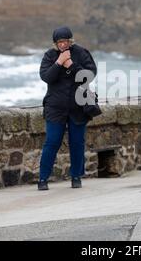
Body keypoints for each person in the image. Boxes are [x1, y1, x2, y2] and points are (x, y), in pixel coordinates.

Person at [38, 26, 97, 190]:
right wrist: (59, 62)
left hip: (78, 106)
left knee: (77, 143)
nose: (63, 45)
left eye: (65, 41)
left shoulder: (81, 53)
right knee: (52, 142)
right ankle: (43, 179)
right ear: (55, 43)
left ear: (71, 41)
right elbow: (46, 77)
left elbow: (89, 75)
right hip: (55, 107)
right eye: (59, 42)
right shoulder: (50, 56)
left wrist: (71, 65)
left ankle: (76, 176)